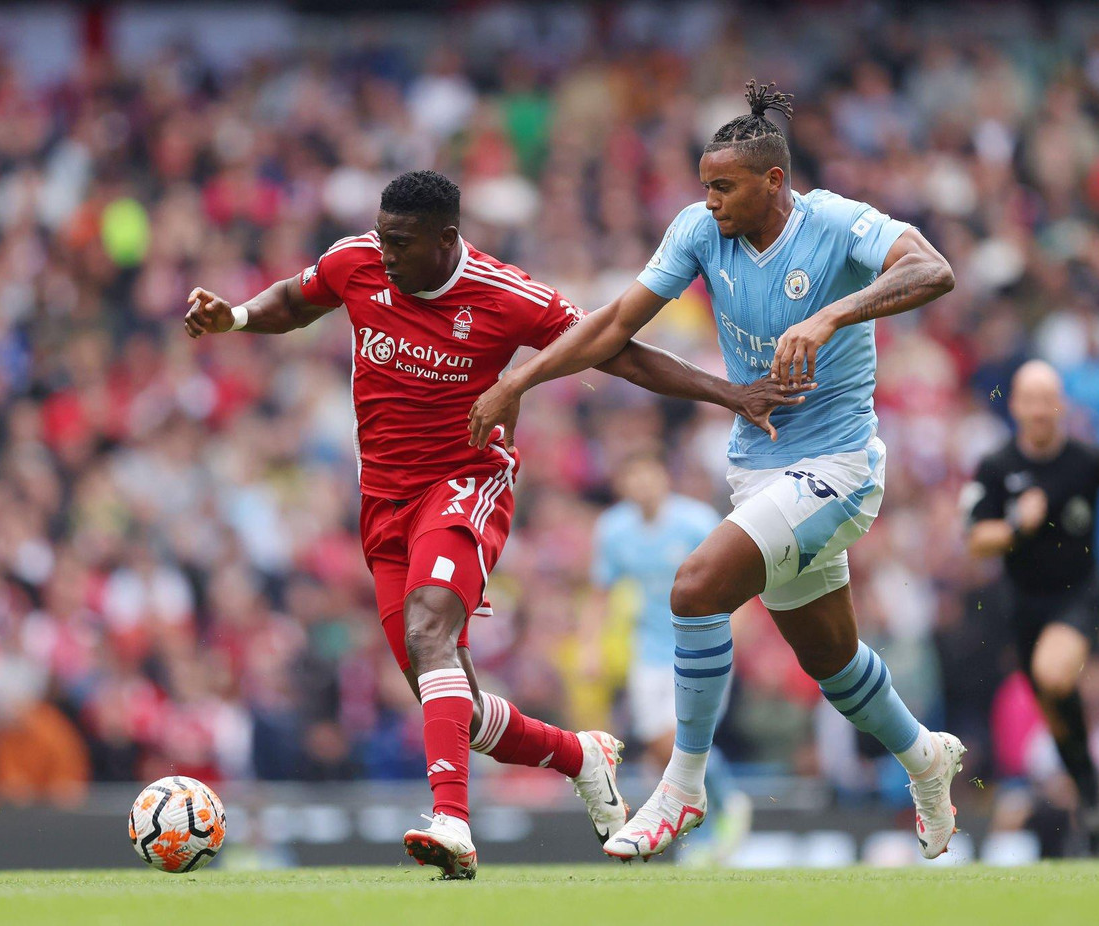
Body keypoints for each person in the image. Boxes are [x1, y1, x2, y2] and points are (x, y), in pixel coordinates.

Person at [183, 169, 806, 879]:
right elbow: (295, 301)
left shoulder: (506, 295)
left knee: (428, 630)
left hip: (465, 484)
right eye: (383, 237)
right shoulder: (356, 261)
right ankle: (581, 757)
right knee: (447, 695)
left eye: (402, 242)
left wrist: (727, 393)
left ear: (447, 238)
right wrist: (233, 316)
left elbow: (618, 350)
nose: (385, 253)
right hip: (382, 503)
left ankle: (451, 821)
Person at [469, 80, 964, 861]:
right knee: (833, 664)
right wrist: (519, 379)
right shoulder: (699, 233)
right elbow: (615, 327)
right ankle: (926, 758)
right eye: (704, 185)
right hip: (758, 467)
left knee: (695, 587)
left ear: (774, 182)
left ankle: (683, 787)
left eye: (723, 186)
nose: (710, 201)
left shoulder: (834, 220)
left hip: (839, 466)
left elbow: (933, 268)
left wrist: (832, 312)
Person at [964, 359, 1099, 853]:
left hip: (1079, 596)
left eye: (1047, 400)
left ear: (1060, 405)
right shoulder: (996, 467)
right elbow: (976, 539)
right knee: (1056, 714)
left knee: (1054, 676)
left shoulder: (1086, 459)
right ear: (1014, 406)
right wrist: (1017, 524)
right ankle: (1092, 796)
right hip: (1023, 607)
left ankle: (1093, 795)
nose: (1038, 411)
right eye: (1029, 401)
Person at [583, 450, 753, 864]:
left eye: (648, 473)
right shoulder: (613, 529)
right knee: (661, 740)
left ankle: (718, 820)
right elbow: (601, 594)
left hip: (701, 645)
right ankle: (726, 802)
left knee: (684, 734)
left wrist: (738, 628)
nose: (642, 484)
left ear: (663, 476)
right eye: (632, 476)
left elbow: (738, 574)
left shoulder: (695, 521)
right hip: (650, 650)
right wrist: (590, 645)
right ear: (622, 485)